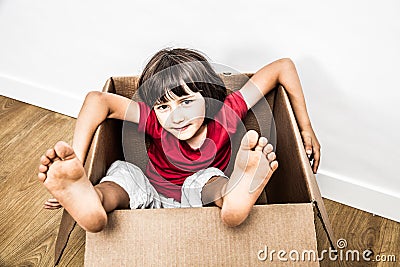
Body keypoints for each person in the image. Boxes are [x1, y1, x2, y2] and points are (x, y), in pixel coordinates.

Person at [37, 48, 320, 233]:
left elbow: (283, 66)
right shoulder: (156, 122)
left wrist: (306, 128)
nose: (176, 117)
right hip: (149, 193)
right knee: (125, 175)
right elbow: (97, 101)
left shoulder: (226, 112)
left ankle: (235, 196)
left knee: (207, 179)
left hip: (199, 197)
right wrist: (80, 166)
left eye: (186, 101)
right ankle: (92, 201)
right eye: (163, 106)